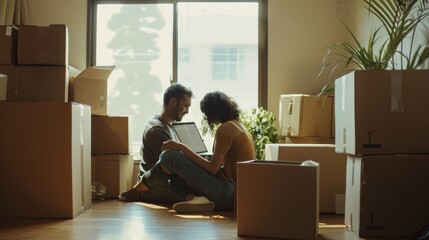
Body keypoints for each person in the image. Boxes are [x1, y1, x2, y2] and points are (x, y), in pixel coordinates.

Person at [119, 91, 255, 213]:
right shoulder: (239, 125)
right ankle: (196, 199)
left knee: (169, 157)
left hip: (227, 193)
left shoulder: (225, 129)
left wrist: (181, 147)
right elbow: (221, 165)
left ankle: (136, 191)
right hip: (235, 195)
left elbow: (213, 169)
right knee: (171, 172)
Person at [119, 83, 193, 202]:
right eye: (185, 106)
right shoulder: (157, 131)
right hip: (157, 188)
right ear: (173, 101)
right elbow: (173, 166)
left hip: (164, 183)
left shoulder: (168, 126)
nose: (187, 111)